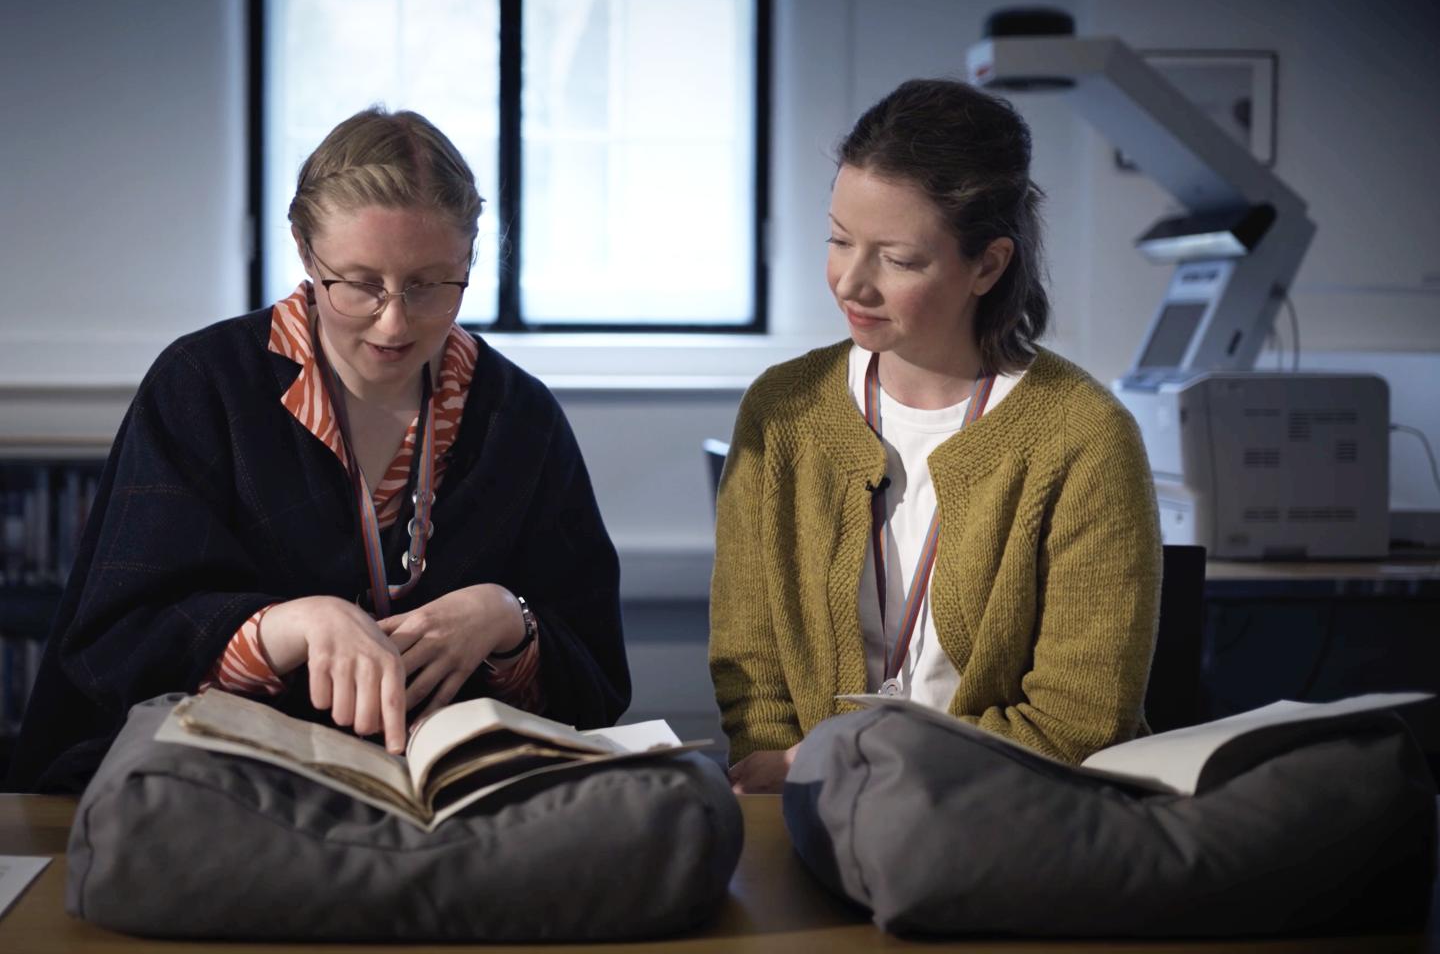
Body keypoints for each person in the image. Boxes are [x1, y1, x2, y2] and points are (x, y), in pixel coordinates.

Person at [9, 109, 629, 792]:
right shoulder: (203, 386)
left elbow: (597, 684)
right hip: (226, 803)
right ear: (306, 253)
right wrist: (288, 626)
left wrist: (509, 619)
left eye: (429, 285)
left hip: (458, 812)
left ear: (470, 260)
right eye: (360, 283)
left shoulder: (521, 416)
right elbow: (112, 645)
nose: (394, 321)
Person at [710, 79, 1161, 793]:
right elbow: (753, 665)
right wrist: (786, 777)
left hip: (1011, 816)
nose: (851, 284)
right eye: (838, 240)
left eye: (898, 259)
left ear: (988, 265)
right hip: (811, 811)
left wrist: (848, 769)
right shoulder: (783, 410)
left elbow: (1079, 721)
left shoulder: (1083, 437)